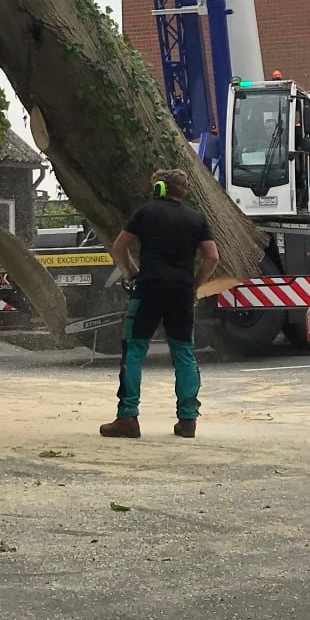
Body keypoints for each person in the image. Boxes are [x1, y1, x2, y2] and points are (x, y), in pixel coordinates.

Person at [99, 168, 218, 439]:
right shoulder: (196, 219)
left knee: (134, 351)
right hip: (181, 294)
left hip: (149, 290)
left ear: (159, 189)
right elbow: (212, 257)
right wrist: (195, 284)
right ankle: (187, 420)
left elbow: (119, 246)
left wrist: (131, 271)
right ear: (182, 191)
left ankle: (128, 417)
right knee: (184, 353)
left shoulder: (146, 212)